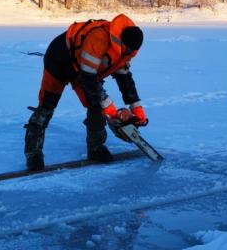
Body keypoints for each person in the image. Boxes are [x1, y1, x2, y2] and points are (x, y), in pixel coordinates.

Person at [24, 13, 148, 171]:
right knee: (47, 106)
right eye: (128, 49)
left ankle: (96, 147)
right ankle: (33, 152)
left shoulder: (124, 51)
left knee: (95, 105)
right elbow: (88, 79)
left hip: (83, 69)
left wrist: (137, 108)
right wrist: (110, 110)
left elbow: (125, 80)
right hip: (59, 60)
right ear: (122, 42)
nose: (129, 53)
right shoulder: (98, 38)